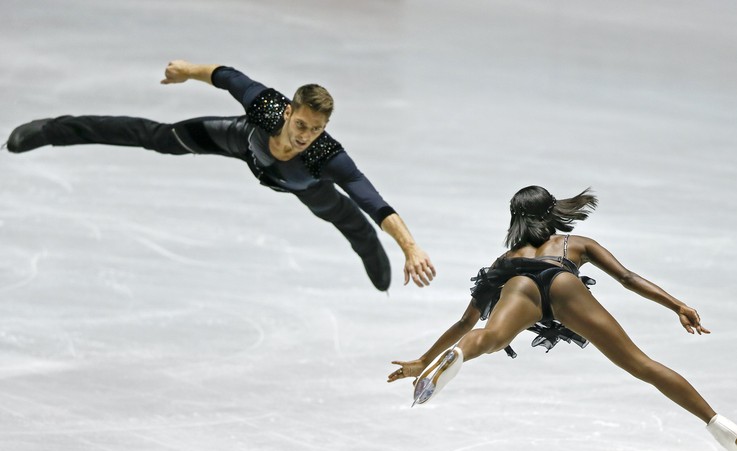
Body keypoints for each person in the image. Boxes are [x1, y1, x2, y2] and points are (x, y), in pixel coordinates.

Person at [388, 185, 737, 451]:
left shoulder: (506, 258)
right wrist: (676, 304)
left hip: (518, 284)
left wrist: (424, 361)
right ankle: (720, 425)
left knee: (488, 337)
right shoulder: (574, 243)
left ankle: (455, 359)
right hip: (563, 280)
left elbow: (466, 320)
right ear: (551, 211)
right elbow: (627, 278)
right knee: (641, 364)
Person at [3, 60, 436, 291]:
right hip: (241, 144)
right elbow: (227, 76)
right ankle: (53, 129)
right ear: (288, 111)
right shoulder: (265, 107)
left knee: (343, 215)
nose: (306, 135)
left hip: (300, 181)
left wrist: (410, 248)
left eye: (316, 129)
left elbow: (374, 201)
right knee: (156, 136)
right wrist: (186, 70)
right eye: (301, 125)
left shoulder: (326, 157)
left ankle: (375, 263)